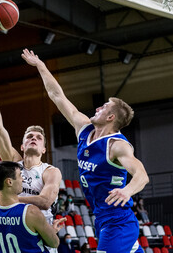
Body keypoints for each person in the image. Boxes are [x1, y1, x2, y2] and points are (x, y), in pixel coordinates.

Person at [21, 48, 149, 253]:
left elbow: (141, 175)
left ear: (110, 118)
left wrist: (127, 190)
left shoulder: (116, 145)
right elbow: (57, 96)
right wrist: (41, 66)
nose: (98, 108)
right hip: (102, 218)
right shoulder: (84, 128)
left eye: (104, 107)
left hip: (118, 223)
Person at [0, 64, 62, 228]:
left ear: (44, 149)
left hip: (40, 233)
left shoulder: (50, 171)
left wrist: (4, 198)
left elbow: (45, 201)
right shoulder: (13, 162)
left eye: (39, 138)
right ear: (21, 146)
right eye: (29, 136)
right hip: (15, 226)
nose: (34, 138)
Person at [0, 161, 65, 253]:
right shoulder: (30, 211)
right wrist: (51, 231)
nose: (22, 180)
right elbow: (54, 243)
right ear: (9, 182)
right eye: (20, 175)